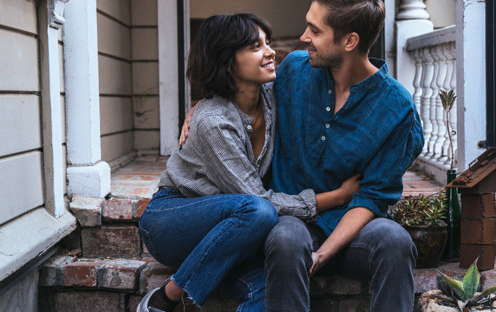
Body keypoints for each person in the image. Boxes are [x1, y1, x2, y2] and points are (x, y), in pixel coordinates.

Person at [136, 13, 360, 312]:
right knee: (258, 210)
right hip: (174, 221)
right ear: (228, 61)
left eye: (267, 42)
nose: (270, 52)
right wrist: (338, 197)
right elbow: (256, 200)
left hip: (230, 234)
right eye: (256, 46)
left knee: (270, 289)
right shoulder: (214, 122)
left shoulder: (272, 92)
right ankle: (170, 296)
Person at [263, 0, 424, 311]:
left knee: (395, 241)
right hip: (296, 221)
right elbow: (241, 98)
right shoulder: (293, 70)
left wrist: (325, 252)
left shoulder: (396, 107)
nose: (303, 37)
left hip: (356, 232)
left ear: (350, 41)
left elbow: (374, 195)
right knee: (285, 238)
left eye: (315, 30)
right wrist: (200, 109)